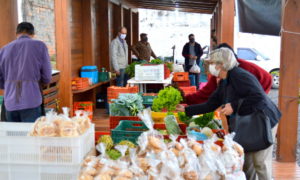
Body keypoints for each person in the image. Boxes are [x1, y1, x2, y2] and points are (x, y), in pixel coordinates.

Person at [176, 48, 281, 180]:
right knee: (246, 162)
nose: (209, 67)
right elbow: (211, 104)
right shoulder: (224, 81)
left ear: (221, 64)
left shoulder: (240, 75)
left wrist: (234, 106)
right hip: (248, 123)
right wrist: (186, 110)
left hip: (263, 120)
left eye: (212, 63)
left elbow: (258, 96)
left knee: (260, 163)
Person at [184, 43, 273, 105]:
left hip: (263, 86)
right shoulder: (220, 71)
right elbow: (206, 94)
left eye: (213, 63)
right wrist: (185, 100)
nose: (212, 66)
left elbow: (256, 96)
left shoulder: (242, 73)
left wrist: (234, 106)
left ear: (223, 62)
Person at [0, 22, 52, 122]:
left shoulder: (3, 50)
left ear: (16, 33)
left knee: (14, 136)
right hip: (31, 101)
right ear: (32, 34)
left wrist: (9, 85)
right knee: (32, 136)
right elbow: (47, 77)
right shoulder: (40, 46)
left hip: (10, 103)